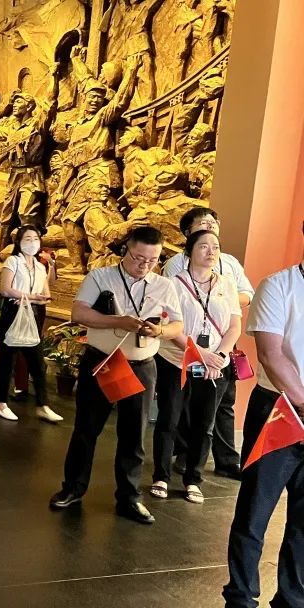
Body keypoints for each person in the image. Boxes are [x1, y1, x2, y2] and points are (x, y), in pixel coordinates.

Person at [50, 226, 183, 525]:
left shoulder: (164, 285)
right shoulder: (101, 277)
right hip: (104, 360)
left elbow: (177, 325)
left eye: (152, 260)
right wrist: (117, 321)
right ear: (126, 250)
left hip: (141, 365)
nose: (144, 265)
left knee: (134, 434)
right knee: (86, 428)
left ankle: (129, 497)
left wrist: (160, 331)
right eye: (139, 258)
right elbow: (79, 313)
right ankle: (73, 488)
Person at [223, 225, 304, 607]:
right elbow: (271, 356)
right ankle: (241, 596)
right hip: (279, 411)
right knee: (255, 510)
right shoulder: (278, 286)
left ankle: (292, 598)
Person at [151, 230, 240, 506]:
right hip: (176, 361)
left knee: (205, 424)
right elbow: (170, 327)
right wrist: (200, 354)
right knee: (169, 419)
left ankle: (193, 479)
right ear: (189, 252)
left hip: (215, 366)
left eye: (216, 246)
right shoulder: (173, 284)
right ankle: (161, 477)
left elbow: (234, 325)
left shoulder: (226, 284)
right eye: (203, 246)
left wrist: (219, 355)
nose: (211, 251)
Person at [163, 206, 254, 479]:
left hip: (221, 345)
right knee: (187, 406)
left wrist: (221, 296)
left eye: (213, 222)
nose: (210, 226)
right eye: (203, 223)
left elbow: (247, 294)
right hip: (185, 348)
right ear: (188, 233)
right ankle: (184, 455)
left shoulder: (229, 263)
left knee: (223, 404)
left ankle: (226, 460)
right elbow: (172, 308)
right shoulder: (177, 264)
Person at [0, 225, 62, 422]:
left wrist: (33, 299)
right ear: (19, 242)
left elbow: (46, 293)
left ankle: (43, 405)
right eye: (28, 239)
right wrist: (31, 297)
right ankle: (1, 404)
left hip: (32, 314)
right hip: (12, 313)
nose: (32, 243)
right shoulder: (13, 261)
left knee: (37, 363)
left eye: (35, 239)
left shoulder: (40, 267)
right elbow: (5, 289)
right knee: (7, 360)